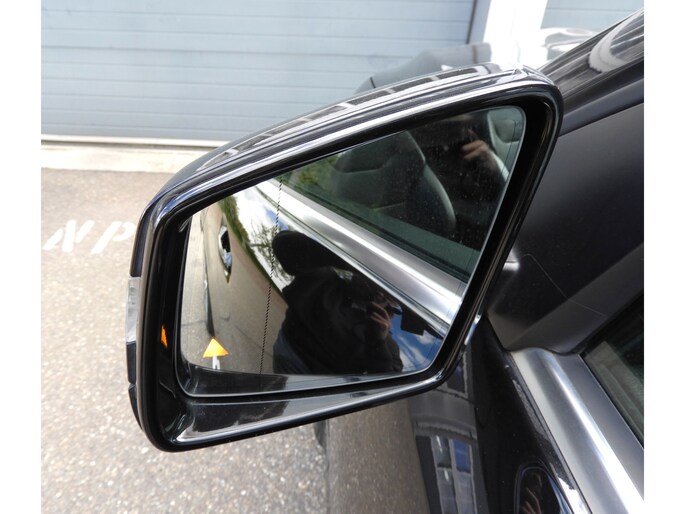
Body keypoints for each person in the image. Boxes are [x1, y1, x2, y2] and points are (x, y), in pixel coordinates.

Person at [271, 230, 404, 375]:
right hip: (290, 353)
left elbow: (387, 379)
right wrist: (357, 264)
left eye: (392, 294)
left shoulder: (386, 338)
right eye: (380, 282)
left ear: (395, 305)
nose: (383, 293)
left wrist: (379, 341)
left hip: (326, 382)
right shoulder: (329, 277)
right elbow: (283, 243)